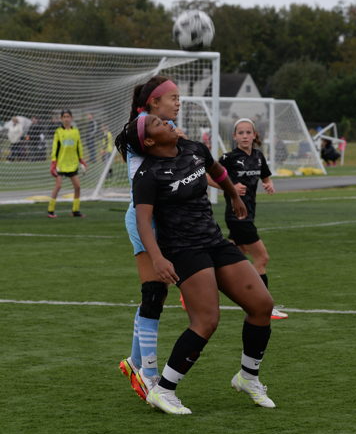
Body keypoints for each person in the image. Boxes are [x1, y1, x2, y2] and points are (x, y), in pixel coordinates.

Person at [116, 114, 276, 415]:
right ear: (149, 141)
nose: (166, 123)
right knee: (206, 320)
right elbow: (142, 222)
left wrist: (233, 195)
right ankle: (163, 390)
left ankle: (248, 377)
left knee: (262, 305)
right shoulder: (147, 175)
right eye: (157, 124)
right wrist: (158, 258)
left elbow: (217, 171)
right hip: (183, 250)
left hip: (214, 240)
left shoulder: (194, 149)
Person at [118, 77, 182, 402]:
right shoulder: (141, 128)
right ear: (153, 103)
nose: (178, 102)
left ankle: (134, 362)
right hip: (144, 220)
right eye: (173, 97)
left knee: (157, 293)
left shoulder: (166, 128)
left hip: (163, 220)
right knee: (153, 294)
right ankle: (149, 374)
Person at [216, 118, 288, 321]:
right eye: (241, 133)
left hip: (249, 215)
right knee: (262, 258)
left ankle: (195, 288)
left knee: (229, 261)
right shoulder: (228, 158)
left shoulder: (258, 156)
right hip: (238, 217)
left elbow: (265, 176)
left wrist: (268, 183)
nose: (245, 136)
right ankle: (265, 306)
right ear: (234, 136)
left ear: (254, 135)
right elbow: (208, 176)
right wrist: (230, 187)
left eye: (248, 132)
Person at [47, 110, 87, 218]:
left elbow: (79, 146)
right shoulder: (58, 132)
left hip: (72, 164)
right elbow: (55, 147)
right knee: (58, 186)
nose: (66, 119)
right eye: (64, 117)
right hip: (61, 164)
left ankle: (75, 210)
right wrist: (53, 162)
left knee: (77, 187)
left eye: (68, 116)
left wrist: (81, 159)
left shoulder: (76, 131)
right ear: (61, 119)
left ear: (71, 118)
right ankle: (50, 210)